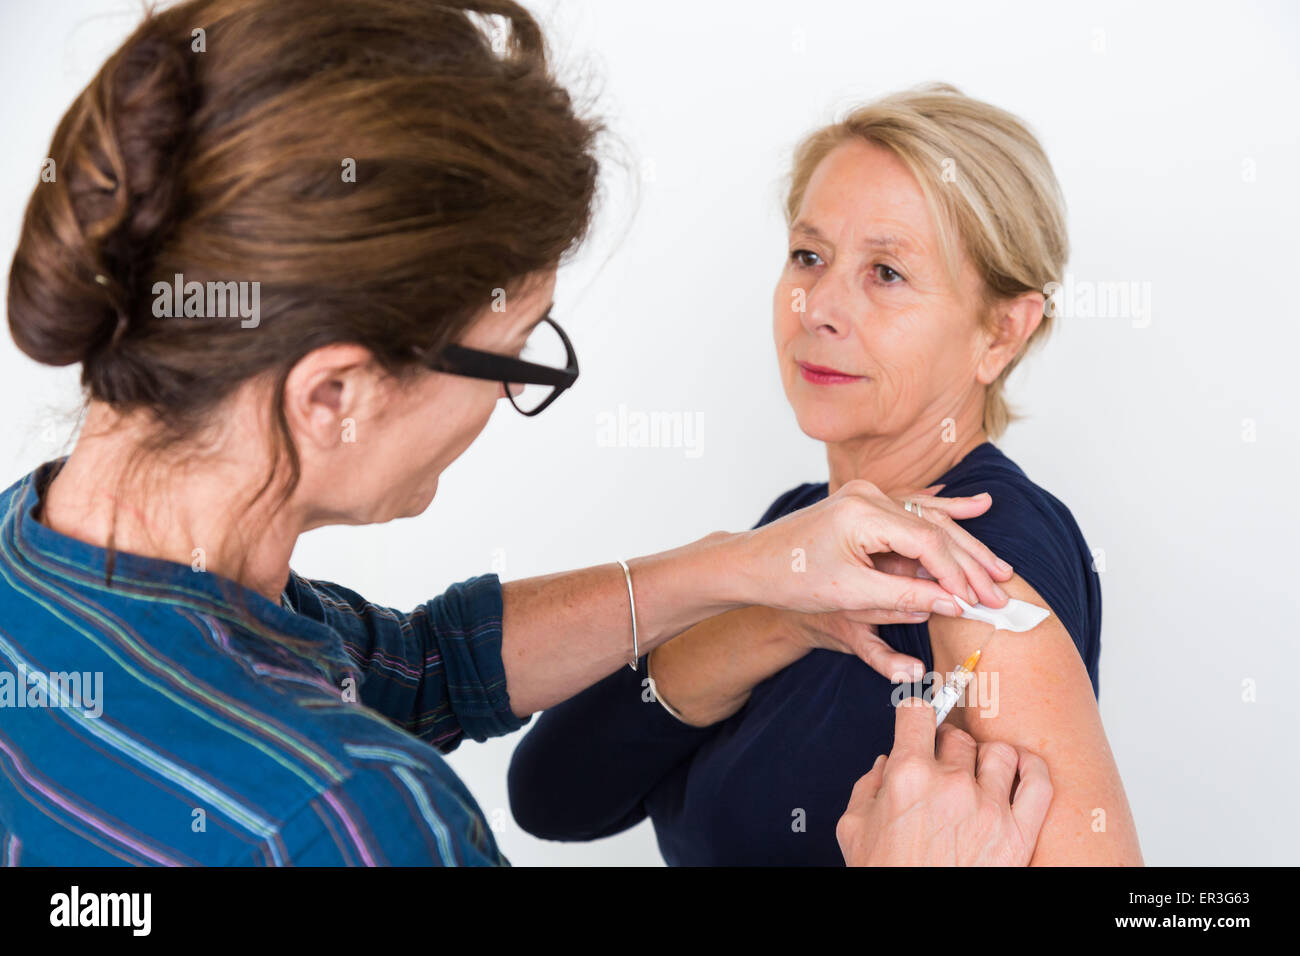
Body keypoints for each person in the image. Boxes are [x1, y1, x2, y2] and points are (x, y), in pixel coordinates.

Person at [1, 0, 1042, 867]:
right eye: (511, 353)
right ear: (332, 396)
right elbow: (555, 789)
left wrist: (739, 568)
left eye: (890, 270)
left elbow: (418, 669)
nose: (508, 399)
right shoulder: (354, 821)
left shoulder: (35, 543)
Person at [509, 85, 1143, 865]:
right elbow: (553, 795)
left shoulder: (984, 561)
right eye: (809, 256)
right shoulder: (800, 526)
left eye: (887, 272)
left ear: (1001, 331)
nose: (819, 308)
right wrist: (777, 615)